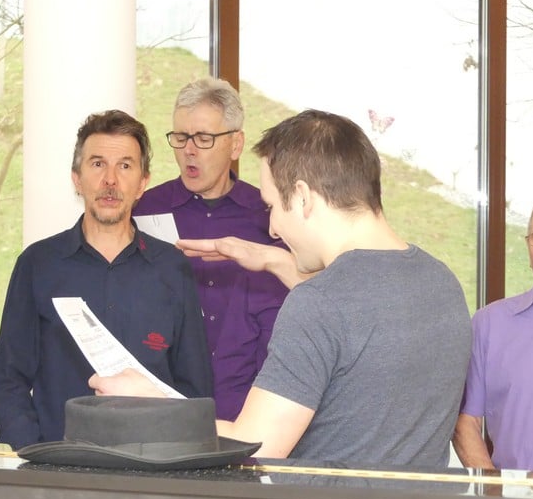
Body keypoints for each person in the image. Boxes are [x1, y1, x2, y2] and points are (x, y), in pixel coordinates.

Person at [91, 108, 472, 468]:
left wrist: (151, 402)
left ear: (303, 197)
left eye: (272, 205)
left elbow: (254, 445)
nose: (272, 227)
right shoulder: (441, 283)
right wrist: (274, 260)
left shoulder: (318, 304)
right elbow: (357, 316)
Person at [0, 110, 212, 449]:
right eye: (97, 164)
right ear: (77, 179)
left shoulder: (172, 268)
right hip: (58, 464)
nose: (110, 180)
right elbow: (8, 379)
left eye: (125, 166)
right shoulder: (38, 264)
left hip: (152, 464)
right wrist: (33, 453)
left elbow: (195, 389)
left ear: (142, 183)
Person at [132, 77, 289, 420]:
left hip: (251, 414)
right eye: (180, 137)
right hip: (161, 413)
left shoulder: (270, 218)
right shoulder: (142, 212)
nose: (189, 150)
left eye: (203, 138)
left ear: (235, 144)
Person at [453, 193, 533, 472]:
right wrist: (494, 489)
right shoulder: (488, 325)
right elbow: (465, 422)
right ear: (529, 246)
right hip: (510, 497)